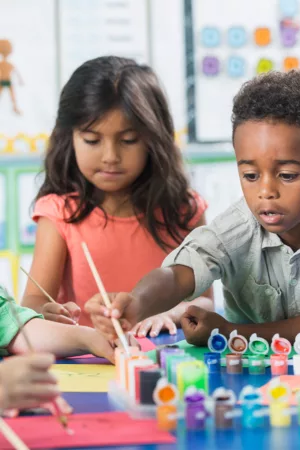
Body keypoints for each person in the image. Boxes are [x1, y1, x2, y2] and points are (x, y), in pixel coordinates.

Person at [85, 70, 300, 345]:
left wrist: (232, 333)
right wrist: (136, 303)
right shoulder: (237, 226)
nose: (265, 191)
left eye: (287, 175)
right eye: (250, 175)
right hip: (262, 375)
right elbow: (179, 274)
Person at [20, 56, 213, 335]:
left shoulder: (185, 210)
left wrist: (171, 313)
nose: (110, 157)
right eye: (92, 140)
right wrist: (45, 312)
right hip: (85, 365)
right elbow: (34, 301)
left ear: (153, 138)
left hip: (164, 358)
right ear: (69, 137)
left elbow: (205, 302)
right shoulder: (58, 213)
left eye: (128, 141)